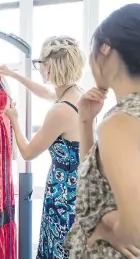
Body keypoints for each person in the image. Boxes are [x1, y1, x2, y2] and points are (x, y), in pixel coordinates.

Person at [0, 35, 84, 259]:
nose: (39, 68)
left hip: (64, 196)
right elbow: (46, 93)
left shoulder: (60, 112)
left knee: (57, 249)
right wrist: (13, 74)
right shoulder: (77, 94)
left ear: (50, 67)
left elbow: (28, 151)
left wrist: (13, 118)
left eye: (40, 64)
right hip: (79, 188)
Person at [65, 4, 140, 259]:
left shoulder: (120, 122)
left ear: (105, 48)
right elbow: (98, 186)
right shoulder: (123, 117)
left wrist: (106, 226)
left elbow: (136, 226)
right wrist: (86, 123)